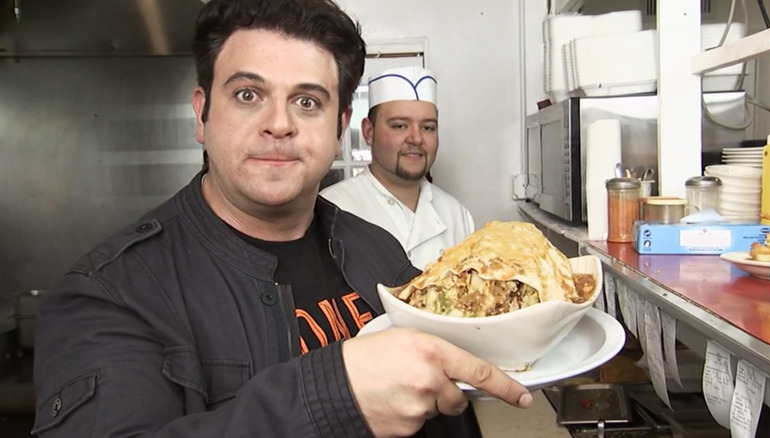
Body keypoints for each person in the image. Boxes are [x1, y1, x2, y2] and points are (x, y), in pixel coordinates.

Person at [32, 1, 532, 438]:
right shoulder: (108, 295)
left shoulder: (377, 249)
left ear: (338, 130)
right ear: (202, 115)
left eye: (307, 101)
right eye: (248, 94)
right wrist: (335, 399)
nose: (279, 123)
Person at [320, 66, 475, 270]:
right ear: (368, 132)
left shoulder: (457, 214)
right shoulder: (331, 210)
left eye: (428, 127)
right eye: (400, 126)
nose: (416, 138)